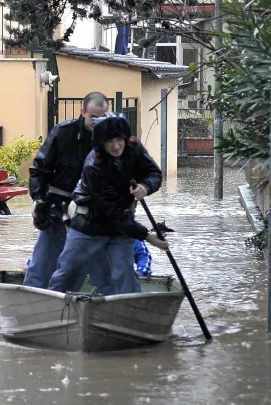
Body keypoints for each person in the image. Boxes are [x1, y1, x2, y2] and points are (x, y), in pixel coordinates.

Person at [48, 114, 169, 295]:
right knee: (68, 270)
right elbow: (112, 213)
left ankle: (129, 311)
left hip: (122, 224)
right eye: (110, 141)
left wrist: (146, 186)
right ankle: (52, 304)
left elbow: (154, 174)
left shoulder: (134, 147)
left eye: (120, 140)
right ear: (100, 142)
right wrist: (147, 236)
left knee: (124, 273)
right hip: (88, 223)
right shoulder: (94, 166)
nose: (116, 146)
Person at [23, 92, 110, 290]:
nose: (97, 122)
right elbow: (39, 170)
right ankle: (31, 300)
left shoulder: (110, 140)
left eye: (103, 117)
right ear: (83, 112)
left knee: (88, 269)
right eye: (93, 117)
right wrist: (38, 200)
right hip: (58, 210)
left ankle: (88, 305)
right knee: (42, 265)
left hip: (91, 216)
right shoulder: (63, 133)